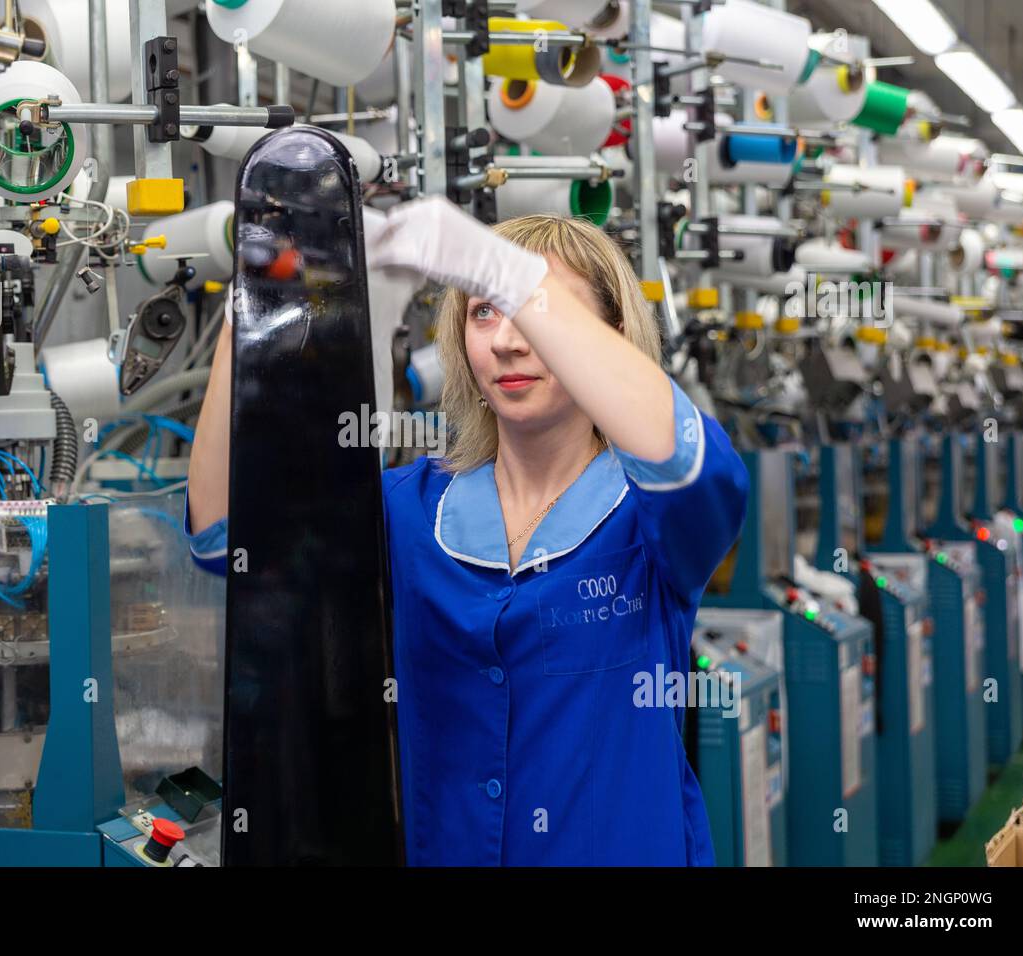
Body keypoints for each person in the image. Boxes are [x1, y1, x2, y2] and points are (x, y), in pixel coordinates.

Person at [186, 196, 749, 865]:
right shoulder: (410, 509)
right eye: (483, 310)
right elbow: (225, 535)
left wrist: (502, 272)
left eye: (535, 311)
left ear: (603, 338)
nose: (507, 339)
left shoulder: (649, 519)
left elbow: (697, 469)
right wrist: (247, 314)